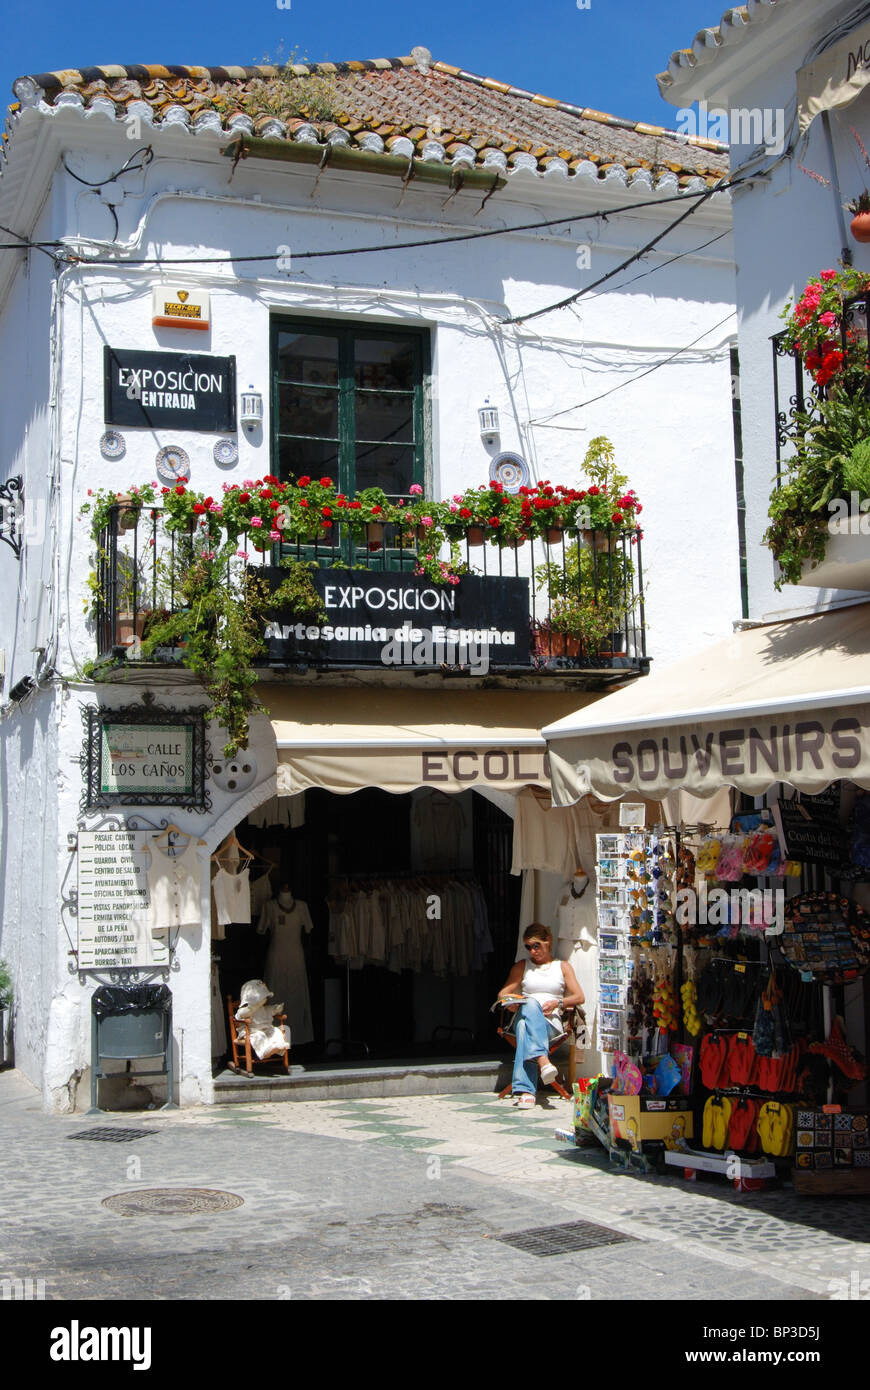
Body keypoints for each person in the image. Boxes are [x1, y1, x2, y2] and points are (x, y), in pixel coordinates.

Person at [497, 924, 585, 1109]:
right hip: (526, 1015)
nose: (533, 951)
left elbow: (579, 996)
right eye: (528, 947)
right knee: (529, 1004)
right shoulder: (523, 966)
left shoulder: (562, 967)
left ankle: (526, 1091)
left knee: (523, 1027)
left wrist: (558, 1003)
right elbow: (503, 993)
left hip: (550, 1024)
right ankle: (543, 1061)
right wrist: (511, 1001)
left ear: (548, 941)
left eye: (536, 945)